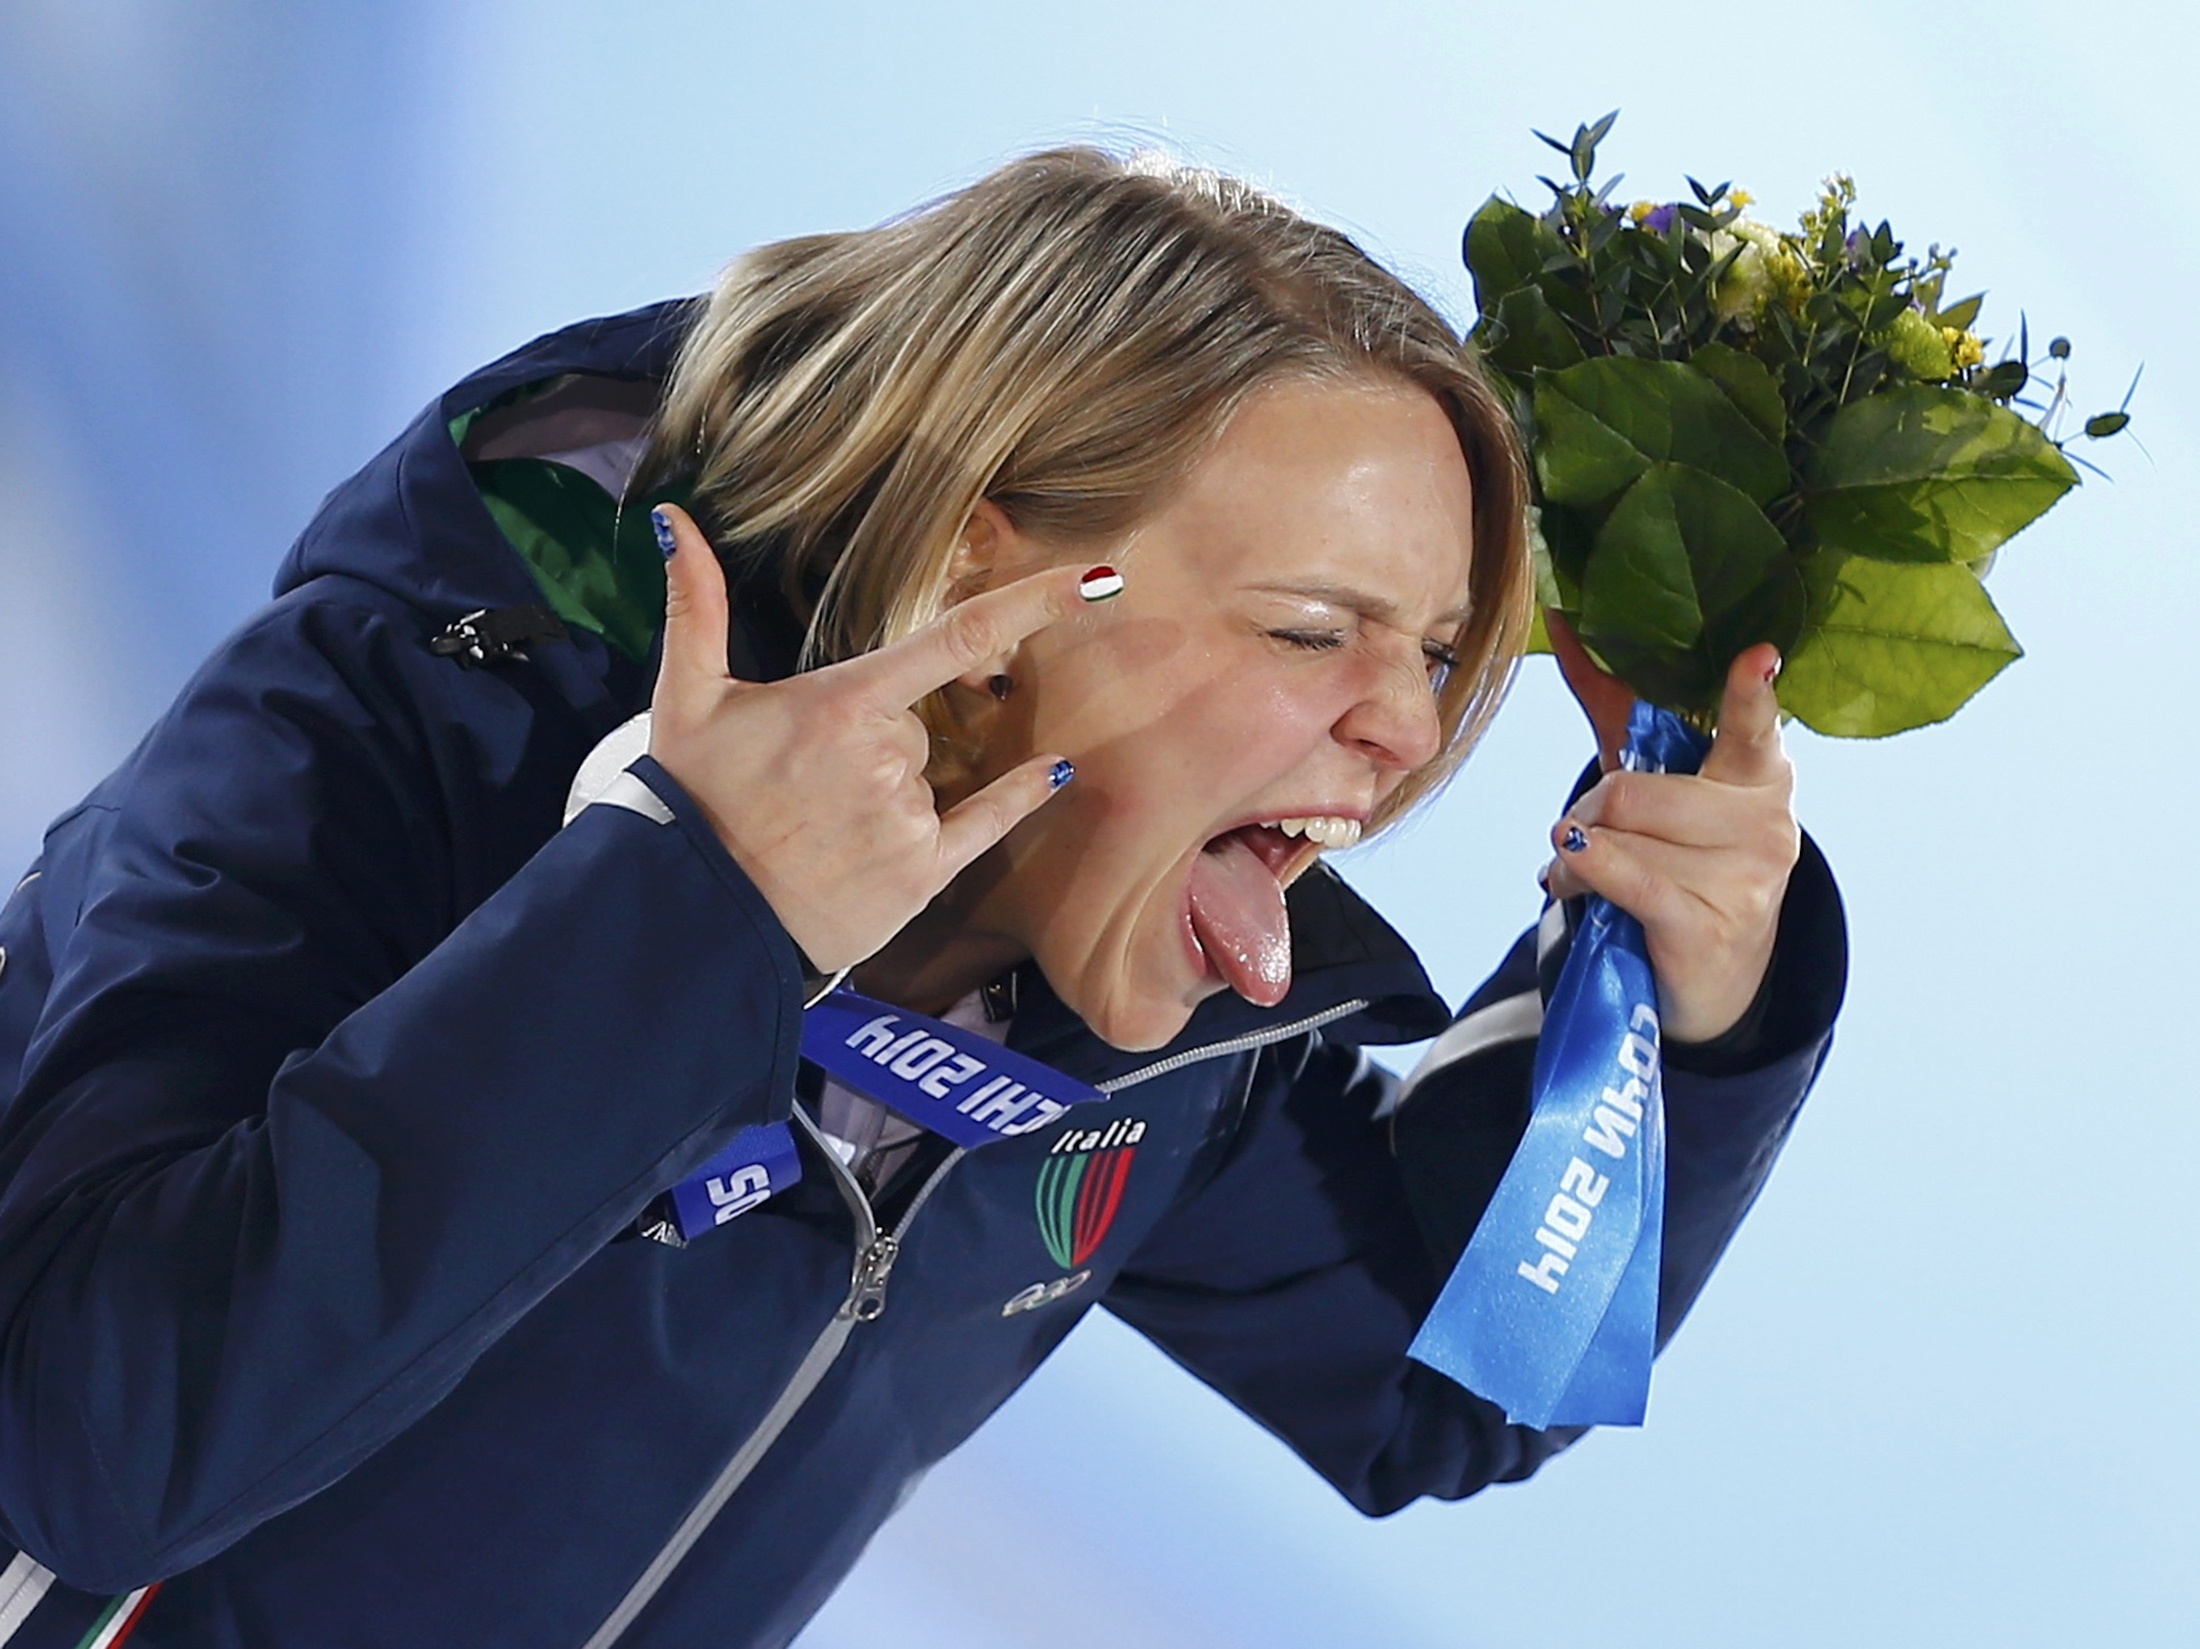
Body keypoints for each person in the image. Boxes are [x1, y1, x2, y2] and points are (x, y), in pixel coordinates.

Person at [0, 148, 1844, 1648]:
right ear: (987, 548)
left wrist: (1679, 1008)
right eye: (1309, 629)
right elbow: (101, 1434)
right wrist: (688, 909)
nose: (1402, 728)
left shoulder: (1176, 1039)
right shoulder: (408, 721)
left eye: (1439, 650)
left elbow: (1452, 1369)